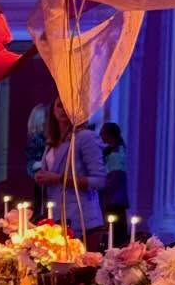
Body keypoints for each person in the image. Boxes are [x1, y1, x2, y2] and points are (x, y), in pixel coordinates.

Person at [34, 97, 107, 237]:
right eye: (60, 105)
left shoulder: (86, 137)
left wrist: (59, 178)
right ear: (53, 110)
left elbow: (99, 181)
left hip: (81, 220)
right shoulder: (52, 141)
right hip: (55, 217)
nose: (64, 110)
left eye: (68, 105)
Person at [100, 122, 129, 240]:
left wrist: (102, 189)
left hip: (114, 197)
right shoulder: (113, 150)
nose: (100, 137)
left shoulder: (116, 153)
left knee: (115, 227)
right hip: (115, 196)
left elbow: (115, 176)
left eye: (102, 134)